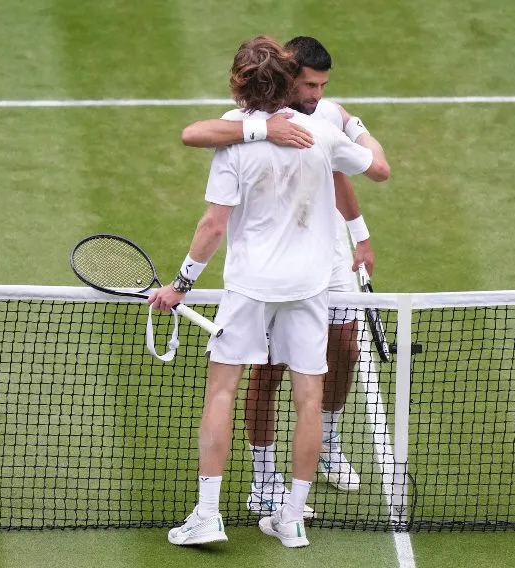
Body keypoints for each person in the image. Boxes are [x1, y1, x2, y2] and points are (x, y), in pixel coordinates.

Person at [150, 35, 390, 548]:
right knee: (309, 399)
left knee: (221, 391)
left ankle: (208, 515)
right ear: (288, 81)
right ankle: (292, 518)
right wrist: (359, 132)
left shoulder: (233, 142)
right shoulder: (320, 134)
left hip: (251, 287)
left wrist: (181, 286)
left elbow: (213, 227)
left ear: (242, 87)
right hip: (307, 288)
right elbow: (376, 170)